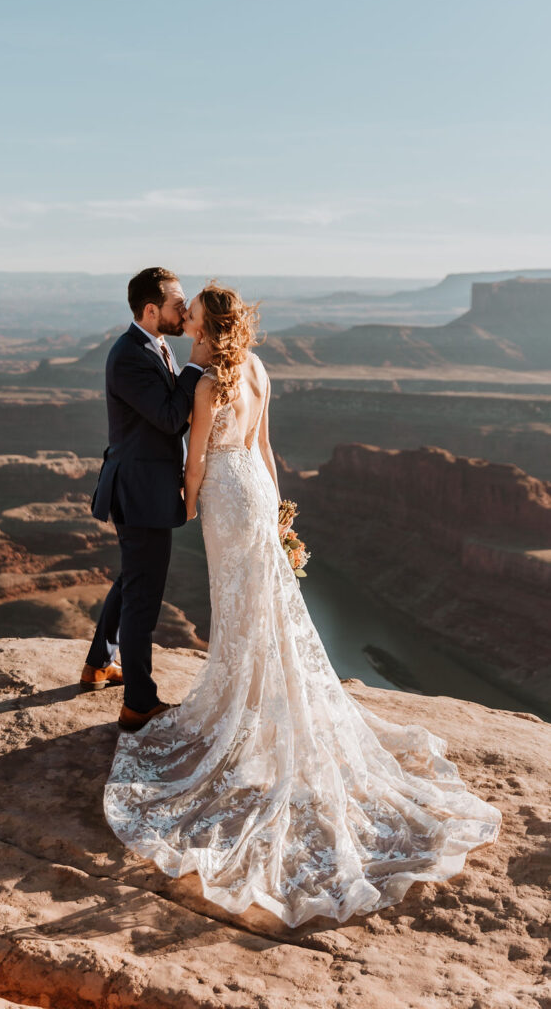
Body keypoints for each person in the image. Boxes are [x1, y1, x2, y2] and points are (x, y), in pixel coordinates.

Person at [103, 281, 502, 927]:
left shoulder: (206, 383)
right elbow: (263, 449)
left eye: (196, 317)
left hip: (226, 502)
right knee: (265, 605)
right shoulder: (258, 369)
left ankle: (244, 712)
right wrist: (278, 512)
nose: (190, 324)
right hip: (258, 494)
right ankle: (265, 705)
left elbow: (198, 459)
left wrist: (181, 503)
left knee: (236, 610)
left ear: (211, 328)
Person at [83, 267, 211, 731]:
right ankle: (139, 702)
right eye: (179, 306)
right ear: (151, 310)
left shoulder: (152, 346)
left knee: (133, 580)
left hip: (142, 487)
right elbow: (169, 418)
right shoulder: (130, 356)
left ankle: (100, 663)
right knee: (144, 597)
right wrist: (197, 365)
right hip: (139, 493)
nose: (184, 313)